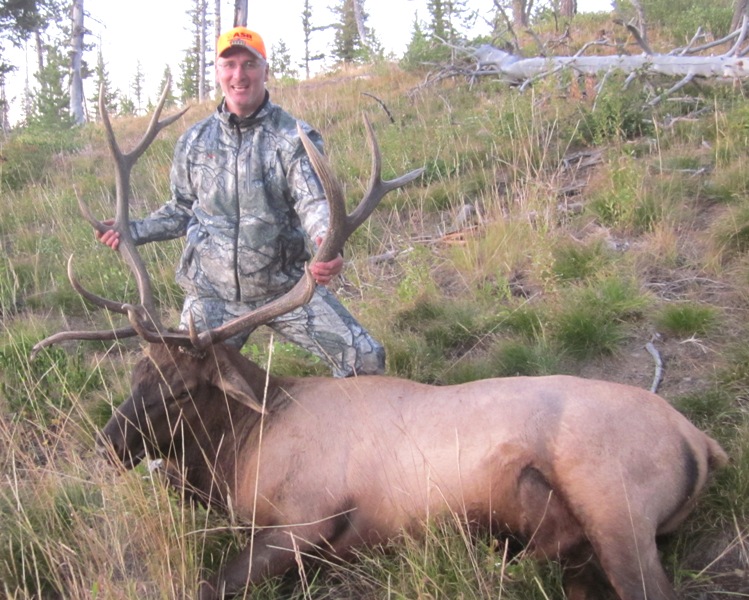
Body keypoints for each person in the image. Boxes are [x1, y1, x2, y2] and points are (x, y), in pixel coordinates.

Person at [97, 26, 385, 378]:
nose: (239, 75)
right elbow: (182, 209)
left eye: (249, 64)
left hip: (286, 291)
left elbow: (314, 203)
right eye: (229, 64)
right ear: (218, 72)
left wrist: (328, 239)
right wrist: (132, 230)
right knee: (172, 377)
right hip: (211, 296)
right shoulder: (194, 141)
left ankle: (355, 433)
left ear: (265, 70)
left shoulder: (293, 137)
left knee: (365, 359)